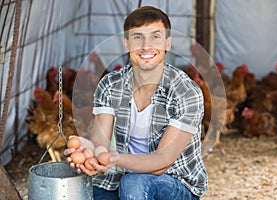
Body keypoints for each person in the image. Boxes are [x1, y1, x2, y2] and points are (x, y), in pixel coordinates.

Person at [65, 6, 208, 200]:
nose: (146, 46)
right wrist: (88, 149)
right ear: (126, 44)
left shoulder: (186, 92)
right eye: (138, 37)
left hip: (174, 182)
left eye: (155, 37)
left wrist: (116, 159)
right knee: (79, 191)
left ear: (168, 43)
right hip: (122, 178)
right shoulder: (110, 84)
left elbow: (162, 162)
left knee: (133, 183)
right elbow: (101, 142)